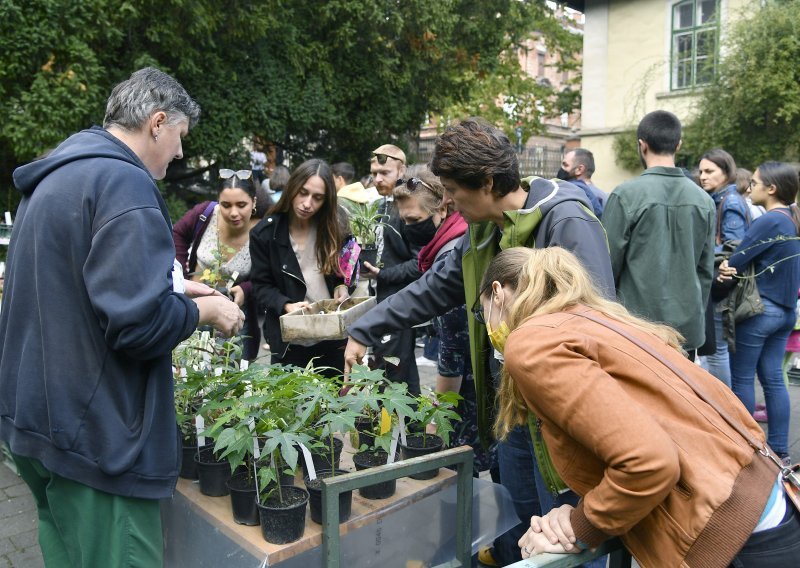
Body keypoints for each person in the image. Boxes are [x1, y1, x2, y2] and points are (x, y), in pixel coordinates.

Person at [0, 67, 244, 567]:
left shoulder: (57, 174)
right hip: (97, 439)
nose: (179, 153)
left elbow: (70, 284)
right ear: (157, 123)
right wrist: (207, 308)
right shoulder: (124, 183)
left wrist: (173, 285)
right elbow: (138, 327)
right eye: (179, 138)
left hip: (38, 423)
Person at [345, 117, 614, 566]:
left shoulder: (566, 222)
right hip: (515, 415)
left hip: (563, 427)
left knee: (566, 545)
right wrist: (363, 327)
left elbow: (599, 332)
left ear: (487, 181)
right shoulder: (483, 230)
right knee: (525, 530)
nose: (445, 200)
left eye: (451, 188)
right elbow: (433, 288)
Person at [481, 246, 800, 567]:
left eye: (481, 313)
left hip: (732, 536)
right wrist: (580, 511)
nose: (488, 328)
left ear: (497, 294)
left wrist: (580, 527)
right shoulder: (597, 319)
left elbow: (648, 461)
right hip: (766, 505)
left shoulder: (530, 341)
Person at [603, 110, 716, 356]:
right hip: (686, 328)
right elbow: (706, 271)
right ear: (678, 145)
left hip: (635, 326)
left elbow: (606, 266)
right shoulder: (704, 200)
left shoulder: (625, 195)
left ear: (642, 145)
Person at [719, 162, 800, 465]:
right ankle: (780, 451)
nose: (749, 187)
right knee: (774, 380)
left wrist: (727, 266)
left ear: (772, 188)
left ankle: (749, 451)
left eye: (754, 183)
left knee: (742, 379)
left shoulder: (770, 220)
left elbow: (737, 259)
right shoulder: (792, 217)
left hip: (760, 311)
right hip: (785, 312)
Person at [249, 158, 352, 375]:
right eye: (303, 192)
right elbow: (261, 286)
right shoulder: (265, 233)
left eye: (318, 198)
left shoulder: (336, 225)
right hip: (288, 339)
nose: (307, 203)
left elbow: (347, 264)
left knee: (332, 405)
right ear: (293, 187)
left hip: (330, 334)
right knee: (289, 403)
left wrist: (342, 285)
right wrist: (286, 305)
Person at [173, 168, 261, 359]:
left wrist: (246, 289)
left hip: (234, 317)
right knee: (191, 368)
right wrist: (180, 276)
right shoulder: (204, 215)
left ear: (253, 202)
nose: (233, 213)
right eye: (226, 205)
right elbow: (177, 234)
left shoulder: (263, 231)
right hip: (196, 309)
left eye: (241, 205)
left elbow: (268, 277)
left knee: (231, 373)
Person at [363, 143, 422, 395]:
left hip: (399, 302)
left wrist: (383, 274)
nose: (378, 178)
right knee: (395, 369)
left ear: (402, 170)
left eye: (384, 172)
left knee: (393, 372)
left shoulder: (409, 208)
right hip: (379, 300)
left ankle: (399, 428)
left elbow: (420, 262)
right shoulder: (378, 206)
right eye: (374, 172)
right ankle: (410, 429)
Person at [699, 148, 751, 386]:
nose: (703, 176)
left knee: (717, 350)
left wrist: (708, 260)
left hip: (723, 285)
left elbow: (734, 247)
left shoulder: (729, 202)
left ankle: (723, 410)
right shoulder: (720, 199)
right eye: (701, 171)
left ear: (727, 172)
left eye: (710, 171)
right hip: (720, 283)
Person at [556, 148, 605, 219]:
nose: (562, 168)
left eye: (565, 165)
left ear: (579, 169)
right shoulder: (604, 196)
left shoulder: (569, 192)